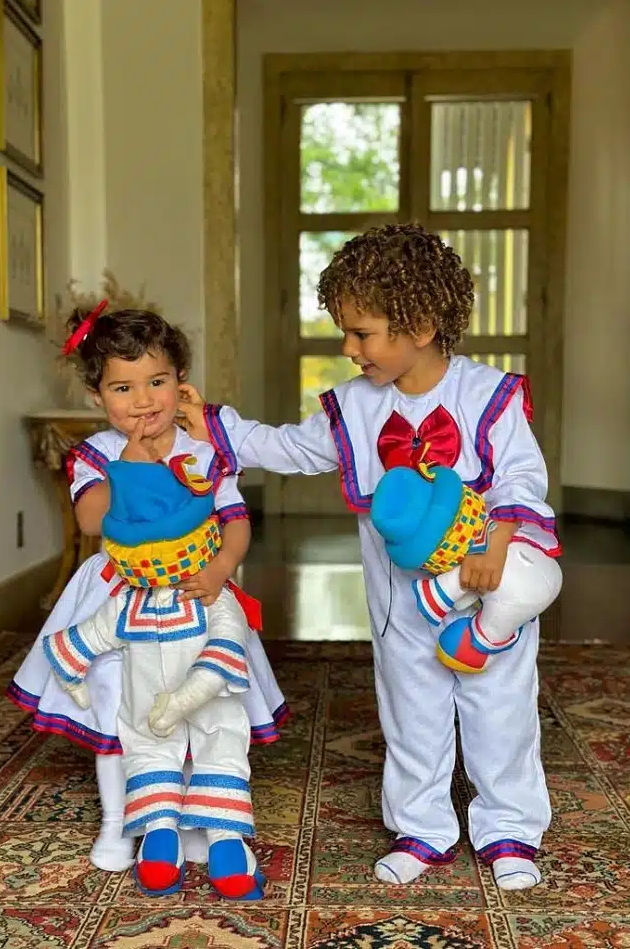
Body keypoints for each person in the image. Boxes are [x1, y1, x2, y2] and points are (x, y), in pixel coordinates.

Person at [179, 223, 562, 891]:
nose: (349, 348)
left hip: (488, 593)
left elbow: (521, 480)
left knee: (499, 708)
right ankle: (422, 826)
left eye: (362, 332)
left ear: (419, 324)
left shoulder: (487, 396)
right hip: (400, 603)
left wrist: (498, 542)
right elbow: (291, 449)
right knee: (411, 710)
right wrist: (212, 424)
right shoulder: (354, 407)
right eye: (344, 332)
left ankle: (509, 829)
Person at [8, 304, 288, 875]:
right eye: (123, 388)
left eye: (157, 382)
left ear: (180, 382)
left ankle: (189, 820)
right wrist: (133, 465)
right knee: (120, 709)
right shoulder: (99, 455)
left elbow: (235, 517)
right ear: (97, 397)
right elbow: (91, 520)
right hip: (119, 595)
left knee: (196, 703)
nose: (143, 401)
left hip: (196, 590)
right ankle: (122, 821)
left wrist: (223, 569)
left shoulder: (205, 447)